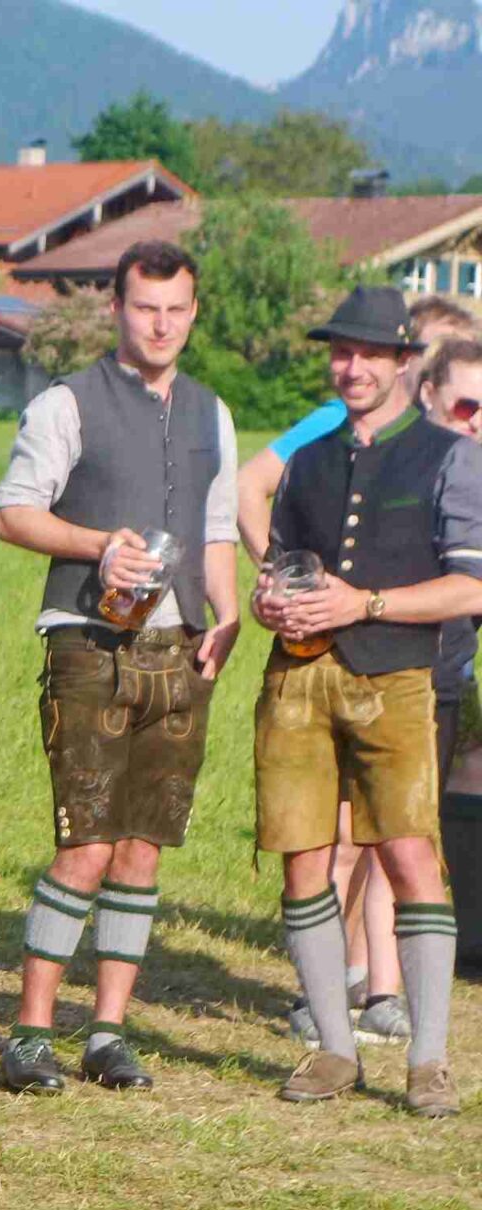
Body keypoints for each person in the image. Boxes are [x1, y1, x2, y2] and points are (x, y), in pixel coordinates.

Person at [0, 240, 239, 1095]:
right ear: (117, 309)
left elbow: (216, 530)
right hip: (89, 647)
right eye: (145, 308)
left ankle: (107, 1035)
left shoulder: (212, 411)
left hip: (182, 650)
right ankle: (29, 1035)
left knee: (142, 850)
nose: (161, 325)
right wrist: (99, 545)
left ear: (193, 312)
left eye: (175, 310)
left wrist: (227, 613)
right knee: (87, 846)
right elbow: (13, 512)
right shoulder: (67, 403)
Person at [252, 285, 482, 1119]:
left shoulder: (450, 455)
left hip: (399, 682)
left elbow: (470, 587)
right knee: (302, 857)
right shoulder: (308, 460)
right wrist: (269, 603)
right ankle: (334, 1049)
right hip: (297, 679)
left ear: (403, 363)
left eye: (371, 355)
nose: (353, 367)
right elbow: (277, 567)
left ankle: (428, 1061)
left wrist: (366, 604)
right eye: (342, 353)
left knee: (411, 855)